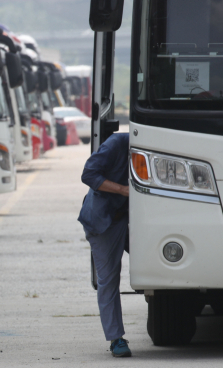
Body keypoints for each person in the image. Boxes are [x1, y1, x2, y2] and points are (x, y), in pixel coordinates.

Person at [78, 132, 131, 357]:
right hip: (104, 221)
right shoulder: (118, 143)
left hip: (132, 217)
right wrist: (123, 189)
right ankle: (116, 339)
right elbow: (88, 174)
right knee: (109, 279)